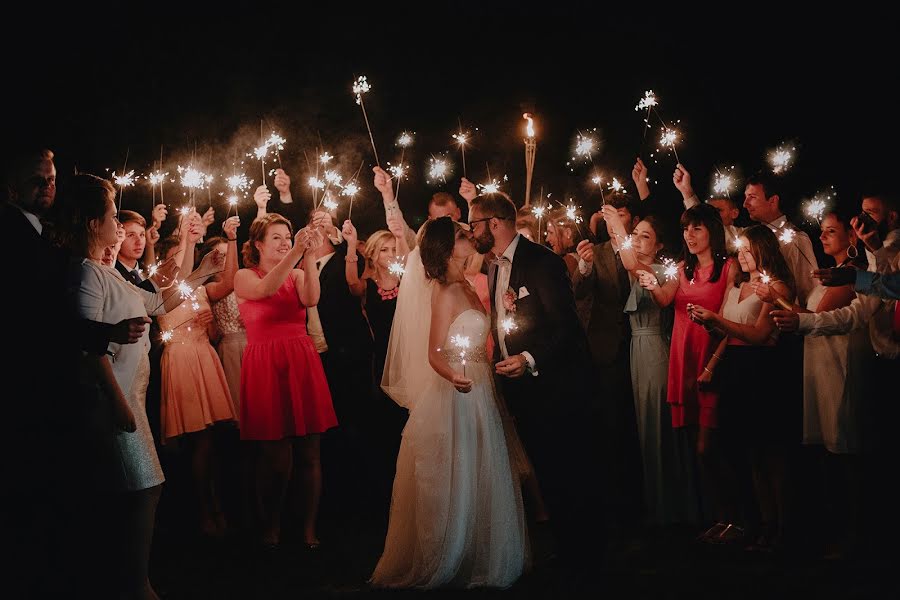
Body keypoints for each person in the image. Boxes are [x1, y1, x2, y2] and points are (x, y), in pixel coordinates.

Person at [54, 173, 222, 599]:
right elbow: (87, 344)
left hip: (130, 397)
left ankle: (129, 579)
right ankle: (132, 584)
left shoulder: (105, 273)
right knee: (141, 487)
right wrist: (120, 405)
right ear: (94, 223)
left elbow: (156, 302)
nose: (118, 225)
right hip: (112, 404)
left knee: (140, 490)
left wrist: (201, 271)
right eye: (112, 216)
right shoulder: (86, 275)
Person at [373, 217, 527, 589]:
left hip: (485, 387)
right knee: (456, 471)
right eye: (461, 235)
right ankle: (450, 553)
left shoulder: (472, 285)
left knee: (484, 466)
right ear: (446, 247)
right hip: (458, 393)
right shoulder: (444, 291)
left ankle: (482, 550)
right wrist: (454, 377)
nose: (469, 237)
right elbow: (434, 353)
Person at [467, 193, 603, 575]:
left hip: (558, 387)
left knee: (571, 470)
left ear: (494, 223)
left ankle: (588, 556)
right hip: (523, 388)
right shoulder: (495, 268)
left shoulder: (541, 261)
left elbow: (567, 329)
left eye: (473, 224)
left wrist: (528, 359)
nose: (470, 231)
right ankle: (567, 549)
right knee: (548, 470)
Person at [234, 213, 336, 550]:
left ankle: (308, 529)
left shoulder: (296, 272)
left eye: (288, 235)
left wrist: (307, 254)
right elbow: (266, 289)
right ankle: (271, 523)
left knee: (310, 453)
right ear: (259, 245)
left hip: (300, 360)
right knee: (275, 459)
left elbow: (311, 299)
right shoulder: (244, 276)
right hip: (266, 364)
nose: (284, 242)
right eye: (276, 237)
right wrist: (296, 252)